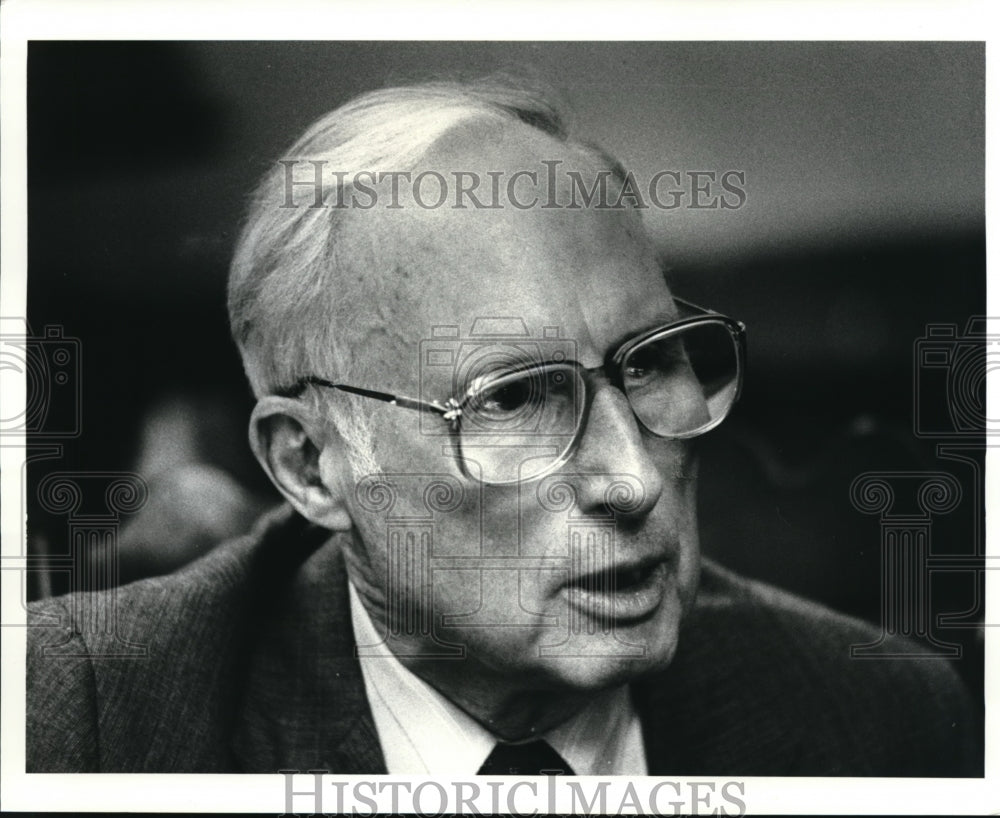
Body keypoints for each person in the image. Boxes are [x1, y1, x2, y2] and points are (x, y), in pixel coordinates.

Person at [26, 78, 979, 775]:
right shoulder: (81, 720)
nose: (633, 479)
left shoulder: (884, 717)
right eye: (514, 398)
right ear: (311, 465)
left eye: (650, 361)